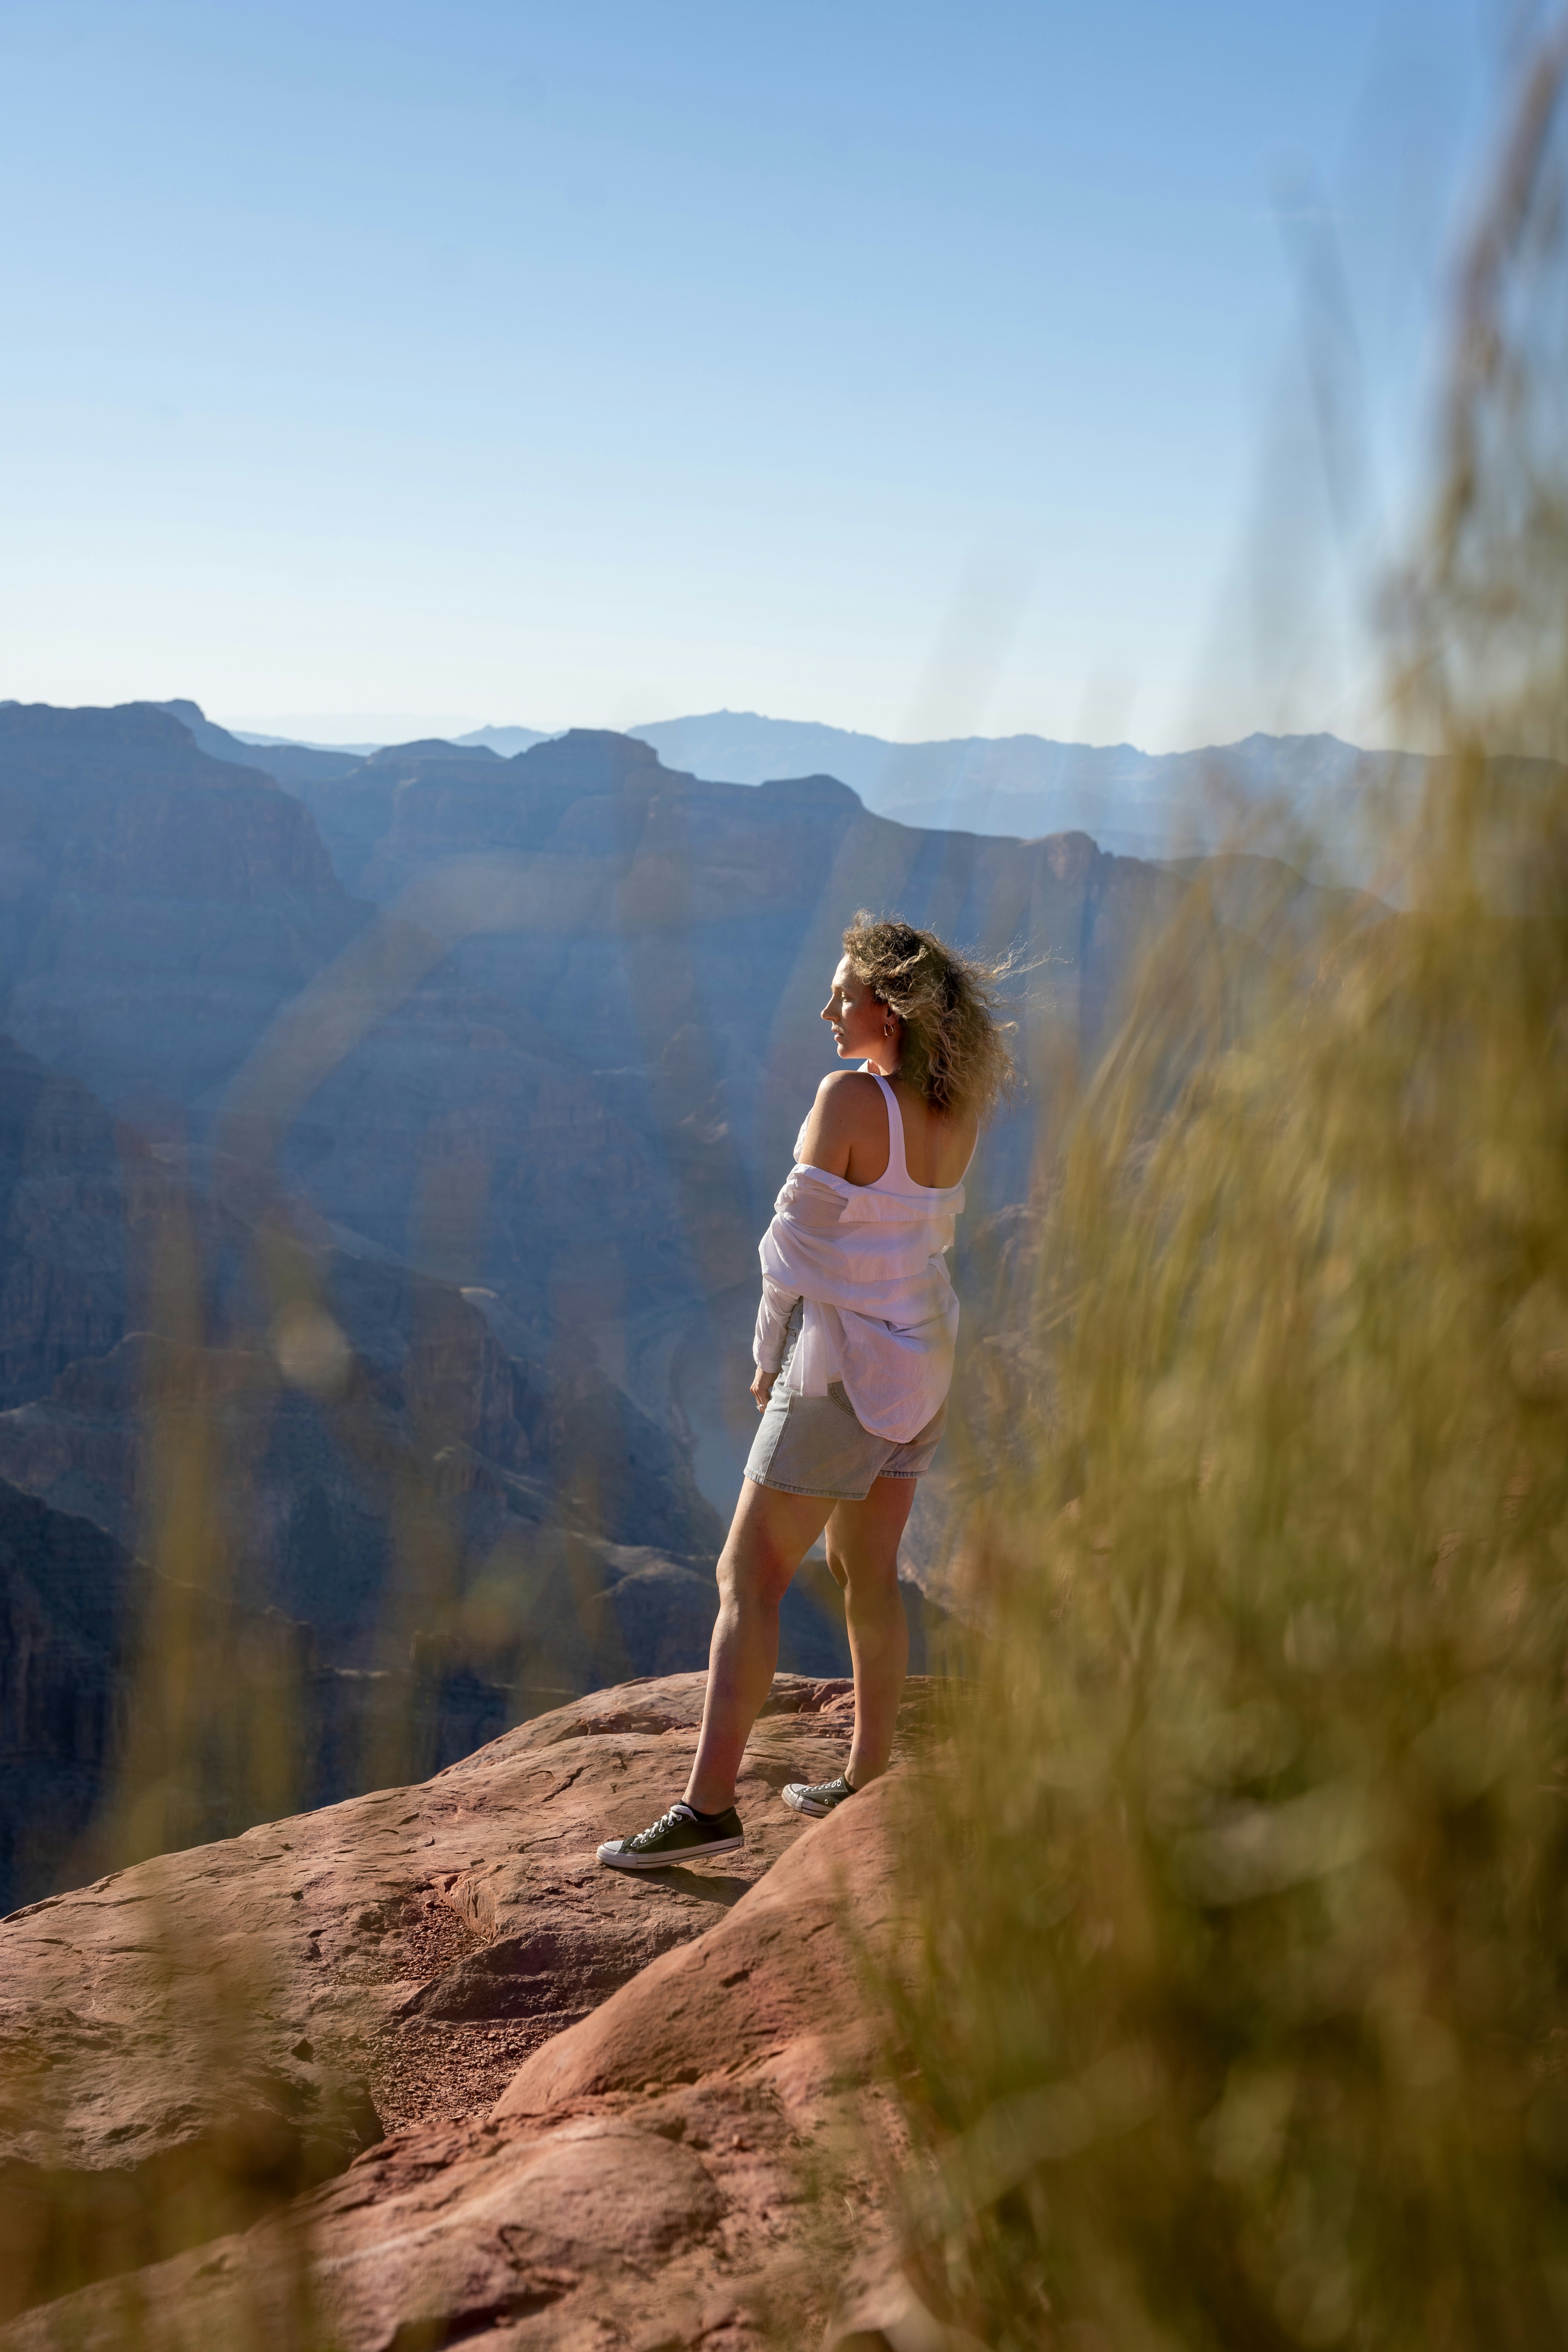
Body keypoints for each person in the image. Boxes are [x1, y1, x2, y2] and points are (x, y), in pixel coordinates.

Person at [598, 912, 1014, 1870]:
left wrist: (761, 1360)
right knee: (869, 1573)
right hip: (925, 1367)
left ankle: (708, 1808)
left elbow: (788, 1256)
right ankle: (867, 1777)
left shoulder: (847, 1099)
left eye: (846, 995)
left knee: (748, 1579)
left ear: (892, 1010)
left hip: (841, 1377)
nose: (829, 1011)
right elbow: (903, 1237)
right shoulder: (960, 1109)